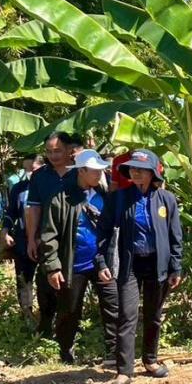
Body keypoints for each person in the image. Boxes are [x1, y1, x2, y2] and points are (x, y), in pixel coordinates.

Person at [99, 149, 183, 384]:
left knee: (154, 315)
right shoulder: (119, 198)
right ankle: (124, 372)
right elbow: (103, 232)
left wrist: (176, 266)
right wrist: (102, 262)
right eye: (132, 168)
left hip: (158, 265)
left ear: (152, 173)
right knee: (127, 316)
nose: (135, 172)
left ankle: (150, 359)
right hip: (130, 265)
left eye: (141, 169)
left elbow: (175, 236)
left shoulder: (166, 199)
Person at [38, 149, 120, 366]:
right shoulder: (61, 198)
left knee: (112, 305)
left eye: (100, 171)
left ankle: (114, 352)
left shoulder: (105, 196)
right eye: (94, 171)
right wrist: (53, 267)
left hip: (102, 262)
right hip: (73, 263)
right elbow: (49, 235)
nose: (98, 175)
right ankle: (65, 351)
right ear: (81, 171)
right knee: (70, 310)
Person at [26, 131, 82, 342]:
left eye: (57, 150)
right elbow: (33, 209)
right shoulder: (40, 176)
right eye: (49, 151)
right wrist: (32, 238)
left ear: (69, 150)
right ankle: (45, 325)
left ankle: (70, 330)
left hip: (75, 239)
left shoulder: (80, 172)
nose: (53, 155)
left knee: (72, 285)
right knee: (46, 283)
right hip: (47, 239)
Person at [2, 155, 44, 328]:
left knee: (46, 278)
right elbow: (11, 212)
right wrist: (5, 231)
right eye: (26, 170)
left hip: (45, 241)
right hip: (22, 240)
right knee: (23, 278)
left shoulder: (48, 188)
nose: (29, 174)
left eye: (33, 169)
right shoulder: (19, 189)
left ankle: (46, 315)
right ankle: (26, 313)